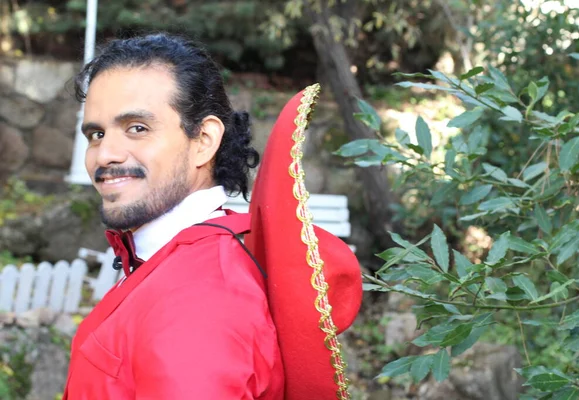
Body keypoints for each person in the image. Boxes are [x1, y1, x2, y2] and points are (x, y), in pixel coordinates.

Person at [64, 32, 362, 400]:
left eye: (137, 128)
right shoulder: (179, 258)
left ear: (203, 140)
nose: (104, 153)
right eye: (95, 133)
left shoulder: (200, 298)